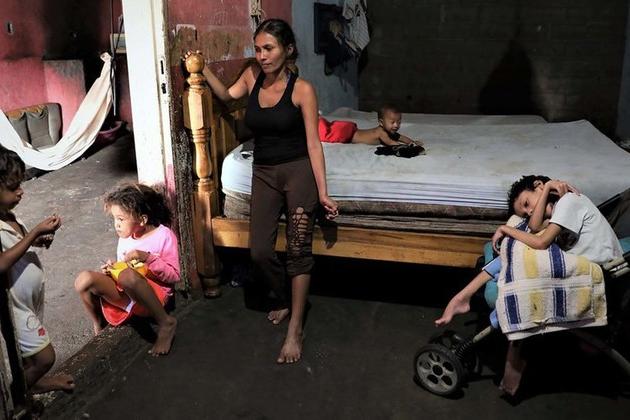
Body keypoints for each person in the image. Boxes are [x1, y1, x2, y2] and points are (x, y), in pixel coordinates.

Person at [191, 18, 338, 364]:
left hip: (298, 172)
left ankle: (295, 328)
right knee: (258, 251)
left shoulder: (302, 90)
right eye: (258, 49)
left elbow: (314, 145)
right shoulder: (251, 77)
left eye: (269, 48)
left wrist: (323, 192)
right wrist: (202, 69)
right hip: (264, 173)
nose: (262, 56)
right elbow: (226, 96)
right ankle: (286, 297)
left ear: (288, 50)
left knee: (299, 250)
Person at [435, 175, 623, 395]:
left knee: (518, 248)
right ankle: (463, 297)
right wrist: (544, 194)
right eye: (525, 211)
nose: (529, 211)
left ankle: (509, 345)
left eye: (526, 203)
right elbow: (534, 227)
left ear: (538, 186)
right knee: (518, 241)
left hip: (599, 273)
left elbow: (540, 242)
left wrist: (505, 229)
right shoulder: (557, 207)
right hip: (581, 261)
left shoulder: (569, 201)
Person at [74, 183, 179, 356]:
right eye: (114, 219)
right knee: (84, 280)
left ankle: (165, 322)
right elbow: (124, 267)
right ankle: (99, 324)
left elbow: (174, 276)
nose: (116, 225)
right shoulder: (126, 237)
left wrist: (148, 258)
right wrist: (112, 269)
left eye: (121, 219)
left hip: (155, 297)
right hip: (128, 293)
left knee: (128, 276)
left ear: (142, 220)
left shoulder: (164, 235)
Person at [0, 148, 74, 393]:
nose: (21, 191)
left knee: (30, 356)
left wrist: (38, 239)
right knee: (45, 358)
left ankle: (33, 383)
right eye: (13, 187)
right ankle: (16, 398)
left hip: (29, 300)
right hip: (14, 307)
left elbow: (15, 245)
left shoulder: (8, 215)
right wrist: (33, 233)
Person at [318, 104, 424, 146]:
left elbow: (401, 137)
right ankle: (315, 119)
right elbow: (391, 143)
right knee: (325, 133)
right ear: (381, 122)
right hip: (347, 134)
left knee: (329, 127)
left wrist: (412, 142)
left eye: (399, 122)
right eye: (392, 122)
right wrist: (408, 147)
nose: (396, 125)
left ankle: (317, 119)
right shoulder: (381, 132)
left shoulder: (389, 131)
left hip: (350, 130)